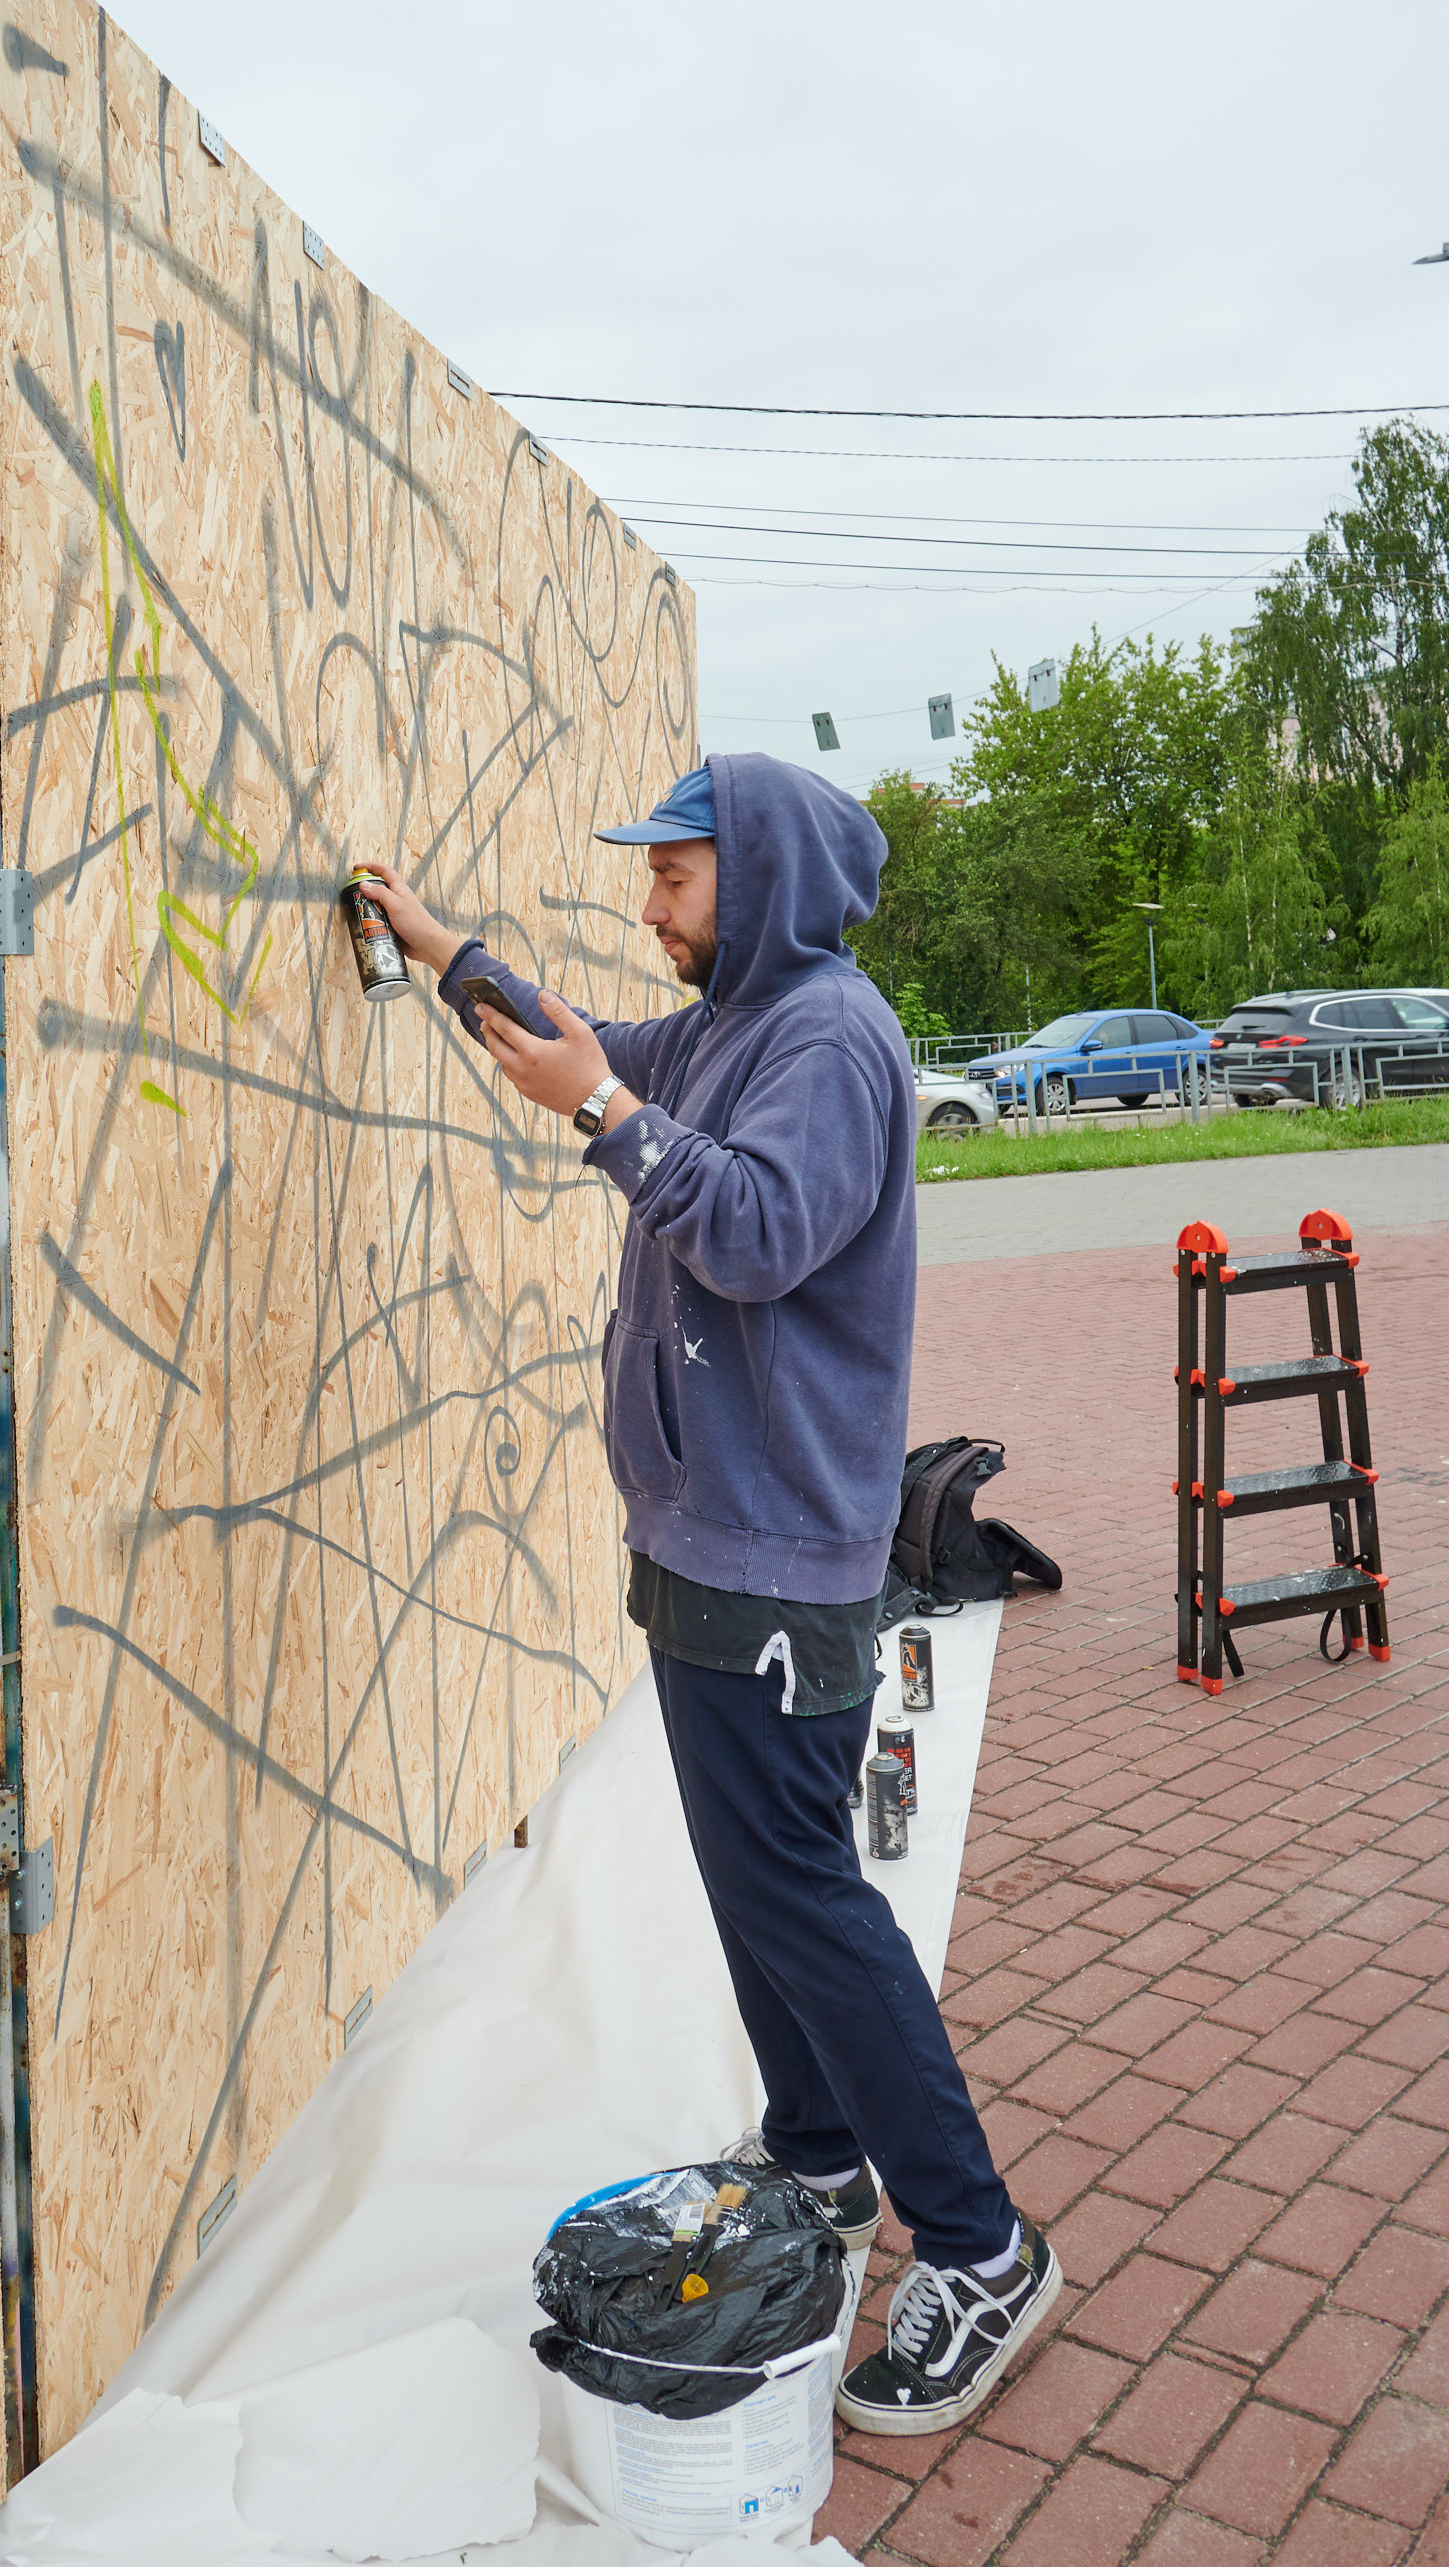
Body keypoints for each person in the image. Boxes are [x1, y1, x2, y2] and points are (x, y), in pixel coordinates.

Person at [363, 753, 1059, 2436]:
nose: (649, 902)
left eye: (674, 875)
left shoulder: (827, 1037)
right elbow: (590, 1052)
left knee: (805, 1894)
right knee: (758, 1890)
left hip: (775, 1557)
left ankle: (978, 2246)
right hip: (702, 1542)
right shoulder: (741, 1015)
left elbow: (750, 1231)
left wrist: (602, 1117)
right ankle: (820, 2159)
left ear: (756, 878)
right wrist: (449, 950)